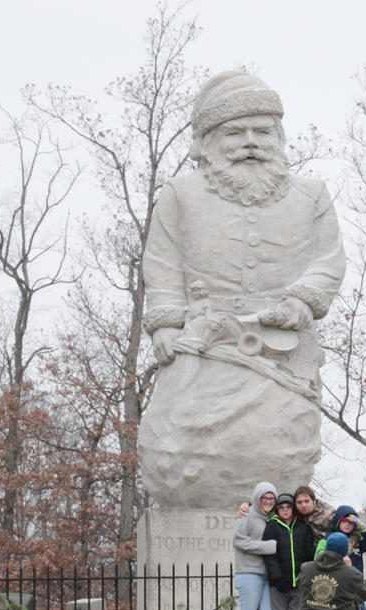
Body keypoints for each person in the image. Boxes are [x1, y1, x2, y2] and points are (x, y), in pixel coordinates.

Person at [138, 71, 346, 509]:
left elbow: (328, 262)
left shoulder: (311, 196)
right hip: (204, 348)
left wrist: (301, 300)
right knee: (180, 454)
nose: (251, 141)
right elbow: (161, 265)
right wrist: (164, 324)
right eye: (236, 132)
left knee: (279, 448)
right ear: (209, 139)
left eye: (262, 130)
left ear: (279, 135)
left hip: (281, 352)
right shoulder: (181, 194)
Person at [263, 493, 315, 610]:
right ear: (277, 509)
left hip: (299, 581)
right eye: (281, 507)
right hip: (278, 583)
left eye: (288, 506)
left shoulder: (303, 526)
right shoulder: (272, 526)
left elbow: (308, 553)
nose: (285, 510)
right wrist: (277, 576)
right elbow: (269, 554)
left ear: (293, 508)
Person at [233, 482, 277, 610]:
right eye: (264, 498)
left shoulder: (273, 518)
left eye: (271, 498)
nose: (268, 501)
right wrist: (267, 547)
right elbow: (238, 540)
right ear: (257, 498)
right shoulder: (246, 515)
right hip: (249, 573)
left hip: (267, 575)